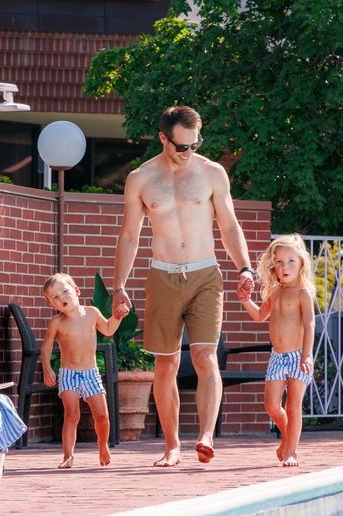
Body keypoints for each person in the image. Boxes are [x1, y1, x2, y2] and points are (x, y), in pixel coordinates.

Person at [110, 105, 256, 467]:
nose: (189, 152)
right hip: (162, 274)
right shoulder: (141, 179)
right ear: (163, 138)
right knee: (165, 364)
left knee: (205, 356)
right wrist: (119, 286)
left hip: (206, 274)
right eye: (181, 146)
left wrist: (245, 268)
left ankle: (206, 436)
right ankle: (172, 446)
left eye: (194, 144)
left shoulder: (211, 173)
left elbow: (230, 226)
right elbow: (130, 234)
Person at [236, 234, 316, 467]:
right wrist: (245, 300)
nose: (285, 267)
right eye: (279, 262)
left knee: (293, 405)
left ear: (301, 263)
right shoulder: (275, 292)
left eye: (291, 261)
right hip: (277, 357)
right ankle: (287, 436)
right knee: (271, 406)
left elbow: (310, 325)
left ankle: (291, 451)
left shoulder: (303, 292)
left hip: (298, 356)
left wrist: (307, 355)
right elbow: (260, 315)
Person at [39, 273, 124, 469]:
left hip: (90, 373)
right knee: (71, 415)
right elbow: (45, 347)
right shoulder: (56, 323)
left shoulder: (92, 313)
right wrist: (47, 369)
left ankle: (102, 446)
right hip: (68, 374)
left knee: (102, 416)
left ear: (76, 291)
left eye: (65, 292)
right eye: (55, 298)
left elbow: (109, 329)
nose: (62, 298)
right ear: (53, 305)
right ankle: (68, 455)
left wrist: (118, 316)